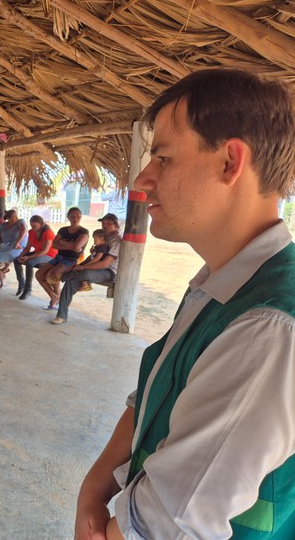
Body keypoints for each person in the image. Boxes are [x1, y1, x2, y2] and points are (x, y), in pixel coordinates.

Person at [75, 68, 295, 540]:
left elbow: (169, 522)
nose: (142, 178)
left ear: (230, 162)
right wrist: (95, 485)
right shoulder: (221, 282)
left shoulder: (268, 326)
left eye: (163, 157)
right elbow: (159, 388)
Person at [52, 213, 120, 324]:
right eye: (103, 223)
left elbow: (105, 264)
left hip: (109, 272)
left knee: (85, 273)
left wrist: (83, 267)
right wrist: (79, 265)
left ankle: (65, 275)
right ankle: (61, 315)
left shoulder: (116, 240)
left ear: (116, 225)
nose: (105, 225)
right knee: (71, 282)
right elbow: (93, 255)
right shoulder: (103, 236)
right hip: (95, 269)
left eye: (108, 223)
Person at [35, 207, 88, 310]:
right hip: (58, 257)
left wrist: (62, 242)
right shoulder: (63, 230)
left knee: (52, 275)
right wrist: (71, 245)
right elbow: (54, 245)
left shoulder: (83, 231)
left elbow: (77, 247)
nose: (75, 218)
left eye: (77, 215)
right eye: (72, 216)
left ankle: (56, 299)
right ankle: (54, 297)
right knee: (39, 274)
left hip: (72, 260)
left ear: (81, 216)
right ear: (68, 217)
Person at [15, 215, 57, 300]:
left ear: (41, 224)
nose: (32, 228)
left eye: (35, 226)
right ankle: (21, 285)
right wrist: (21, 255)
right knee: (17, 260)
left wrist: (29, 257)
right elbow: (28, 247)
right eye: (31, 225)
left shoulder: (48, 233)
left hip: (50, 255)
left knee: (30, 262)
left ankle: (28, 289)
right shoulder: (31, 232)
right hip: (39, 253)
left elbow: (45, 251)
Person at [0, 209, 28, 289]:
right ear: (9, 218)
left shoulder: (20, 222)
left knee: (11, 254)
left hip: (17, 247)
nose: (17, 218)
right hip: (4, 246)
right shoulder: (2, 226)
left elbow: (23, 230)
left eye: (16, 216)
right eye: (14, 217)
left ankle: (6, 268)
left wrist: (17, 242)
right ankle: (1, 275)